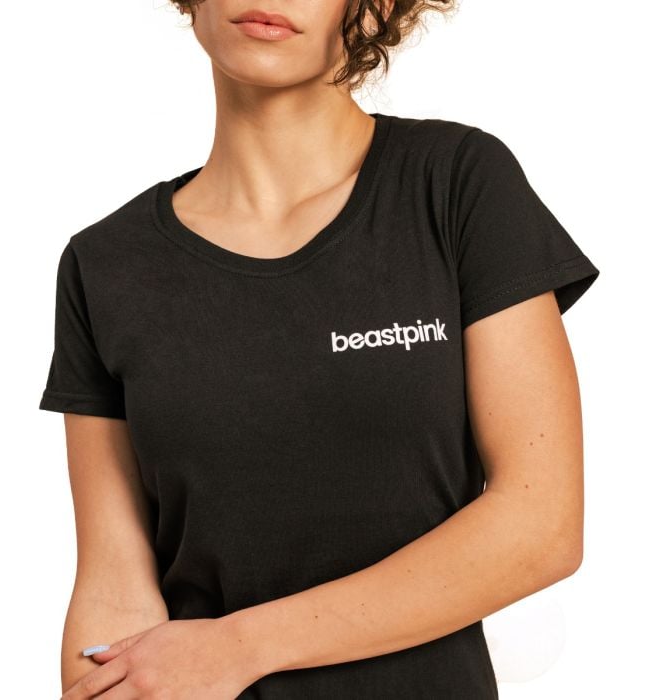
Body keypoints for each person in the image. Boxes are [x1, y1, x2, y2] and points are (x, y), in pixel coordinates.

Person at [39, 0, 600, 697]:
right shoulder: (105, 265)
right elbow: (113, 588)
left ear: (375, 7)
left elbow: (541, 525)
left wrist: (239, 647)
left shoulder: (456, 184)